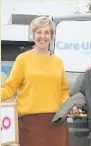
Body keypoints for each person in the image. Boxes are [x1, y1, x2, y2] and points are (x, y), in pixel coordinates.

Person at [1, 16, 70, 146]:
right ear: (33, 35)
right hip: (29, 125)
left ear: (52, 36)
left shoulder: (58, 62)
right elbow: (9, 87)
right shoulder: (23, 60)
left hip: (56, 123)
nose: (42, 36)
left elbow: (64, 91)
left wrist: (69, 104)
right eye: (39, 32)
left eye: (47, 32)